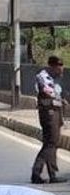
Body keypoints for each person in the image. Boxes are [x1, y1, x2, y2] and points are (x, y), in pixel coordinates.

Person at [31, 55, 67, 185]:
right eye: (59, 67)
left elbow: (57, 94)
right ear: (52, 66)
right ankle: (36, 173)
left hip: (56, 112)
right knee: (50, 143)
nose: (61, 70)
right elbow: (48, 92)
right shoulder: (43, 76)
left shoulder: (54, 78)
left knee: (54, 143)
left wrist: (62, 100)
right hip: (49, 112)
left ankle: (53, 174)